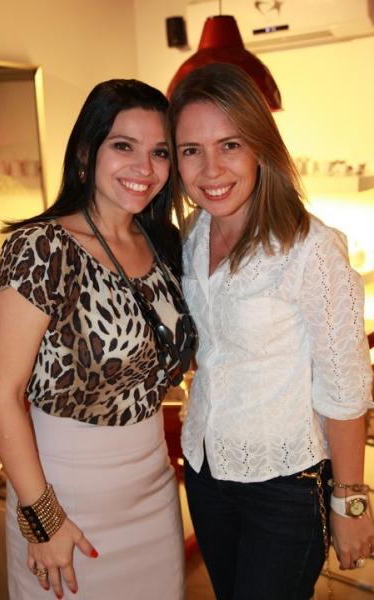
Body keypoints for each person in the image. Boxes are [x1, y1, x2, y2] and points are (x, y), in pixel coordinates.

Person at [0, 78, 197, 600]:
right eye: (124, 146)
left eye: (159, 152)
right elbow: (1, 392)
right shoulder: (42, 247)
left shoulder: (163, 242)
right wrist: (43, 518)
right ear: (85, 152)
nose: (144, 168)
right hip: (65, 496)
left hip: (153, 490)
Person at [167, 62, 374, 600]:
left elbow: (345, 388)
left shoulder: (310, 248)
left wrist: (350, 501)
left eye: (230, 144)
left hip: (285, 486)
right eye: (191, 150)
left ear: (260, 147)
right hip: (206, 473)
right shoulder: (191, 236)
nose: (211, 169)